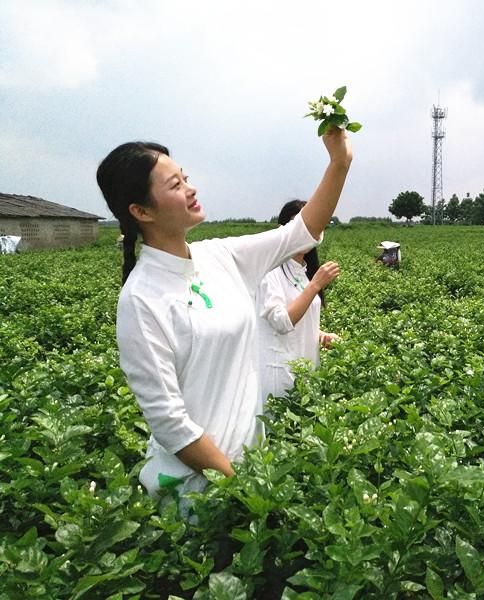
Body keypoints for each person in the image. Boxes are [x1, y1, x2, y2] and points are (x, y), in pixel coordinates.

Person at [96, 129, 352, 504]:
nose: (191, 189)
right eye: (175, 185)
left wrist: (339, 162)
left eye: (185, 177)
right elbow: (170, 424)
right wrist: (239, 488)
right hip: (197, 494)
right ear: (141, 211)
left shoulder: (220, 257)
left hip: (250, 469)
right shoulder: (141, 299)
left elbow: (300, 232)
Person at [257, 199, 340, 403]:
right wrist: (316, 285)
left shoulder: (303, 272)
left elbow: (301, 319)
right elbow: (281, 321)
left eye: (312, 226)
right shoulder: (271, 271)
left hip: (307, 372)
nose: (306, 231)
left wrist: (320, 335)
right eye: (299, 225)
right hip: (281, 377)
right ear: (282, 229)